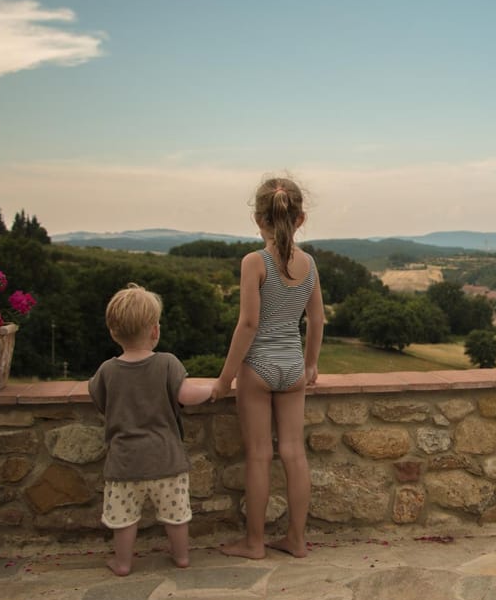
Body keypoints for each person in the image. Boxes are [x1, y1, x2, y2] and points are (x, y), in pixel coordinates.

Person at [211, 176, 324, 559]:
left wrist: (225, 378)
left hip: (257, 369)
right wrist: (310, 365)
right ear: (301, 218)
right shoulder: (309, 265)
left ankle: (255, 543)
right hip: (292, 369)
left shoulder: (254, 262)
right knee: (294, 453)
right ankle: (296, 540)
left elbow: (248, 324)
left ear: (258, 219)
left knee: (259, 455)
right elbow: (318, 319)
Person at [89, 283, 213, 576]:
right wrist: (213, 388)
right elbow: (187, 396)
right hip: (166, 459)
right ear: (155, 331)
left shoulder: (107, 370)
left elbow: (99, 399)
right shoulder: (168, 364)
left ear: (113, 332)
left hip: (124, 462)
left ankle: (122, 563)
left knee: (124, 518)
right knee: (176, 516)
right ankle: (181, 557)